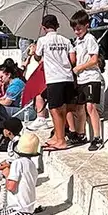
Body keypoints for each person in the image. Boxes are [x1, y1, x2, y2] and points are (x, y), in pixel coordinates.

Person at [34, 15, 76, 151]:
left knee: (55, 111)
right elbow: (73, 60)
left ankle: (61, 140)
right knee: (63, 109)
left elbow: (37, 57)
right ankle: (59, 137)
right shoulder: (66, 40)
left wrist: (33, 51)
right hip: (68, 77)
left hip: (54, 78)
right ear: (57, 26)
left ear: (43, 27)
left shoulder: (42, 41)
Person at [71, 12, 105, 152]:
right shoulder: (77, 41)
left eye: (79, 28)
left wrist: (80, 67)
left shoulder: (90, 39)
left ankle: (97, 137)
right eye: (74, 29)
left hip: (91, 77)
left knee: (91, 107)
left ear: (86, 26)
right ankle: (81, 134)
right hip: (81, 79)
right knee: (80, 108)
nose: (76, 31)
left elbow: (94, 60)